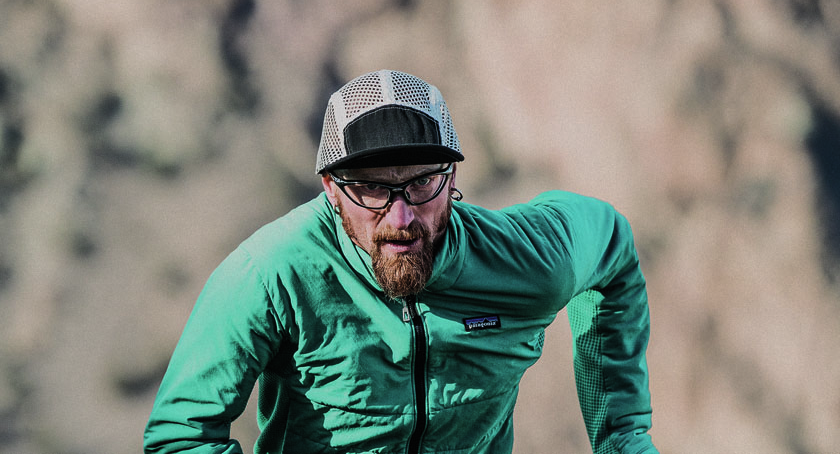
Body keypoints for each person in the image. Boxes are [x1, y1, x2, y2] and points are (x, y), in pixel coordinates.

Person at [144, 69, 658, 453]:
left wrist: (623, 437)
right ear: (331, 191)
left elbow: (613, 245)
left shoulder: (533, 258)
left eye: (421, 182)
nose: (401, 214)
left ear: (452, 178)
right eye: (371, 188)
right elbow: (180, 436)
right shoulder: (271, 273)